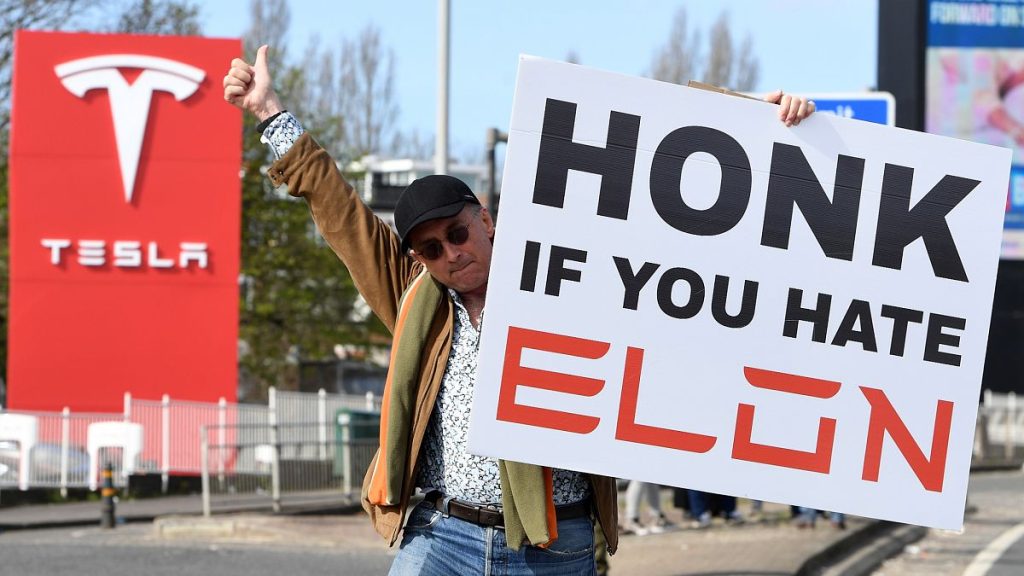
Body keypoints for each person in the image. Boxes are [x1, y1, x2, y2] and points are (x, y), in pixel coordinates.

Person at [223, 44, 815, 575]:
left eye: (457, 232)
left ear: (484, 218)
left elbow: (660, 209)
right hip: (440, 537)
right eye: (431, 248)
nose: (451, 253)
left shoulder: (572, 282)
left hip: (556, 545)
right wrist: (270, 113)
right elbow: (336, 205)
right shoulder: (417, 301)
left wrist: (753, 122)